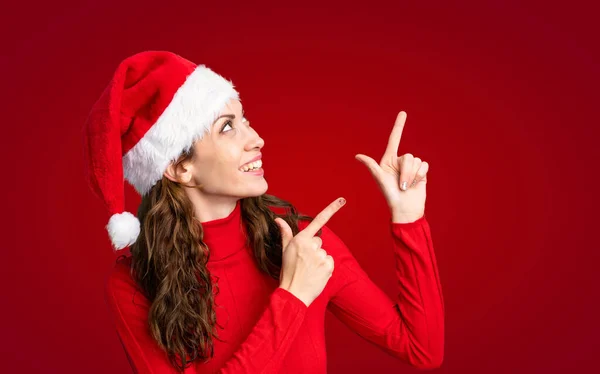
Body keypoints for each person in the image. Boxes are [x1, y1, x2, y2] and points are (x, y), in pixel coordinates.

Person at [83, 50, 444, 373]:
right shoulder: (134, 282)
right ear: (179, 167)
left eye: (245, 120)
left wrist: (408, 218)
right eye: (227, 127)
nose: (256, 138)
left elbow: (421, 349)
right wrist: (292, 298)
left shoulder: (304, 243)